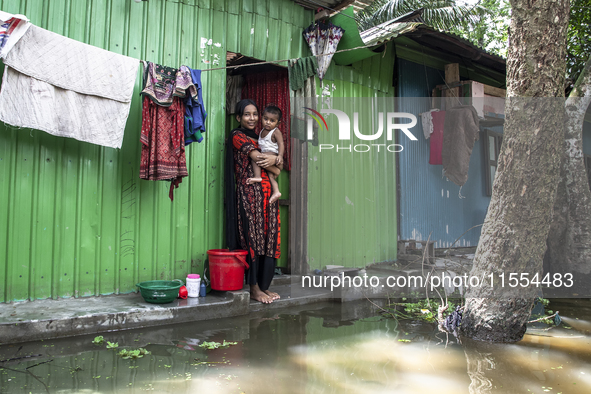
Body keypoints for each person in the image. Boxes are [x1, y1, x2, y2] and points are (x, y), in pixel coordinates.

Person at [225, 99, 281, 304]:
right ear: (239, 117)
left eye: (255, 114)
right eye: (247, 114)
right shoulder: (237, 136)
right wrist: (274, 162)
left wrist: (275, 162)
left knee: (268, 238)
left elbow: (276, 167)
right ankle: (254, 288)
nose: (252, 118)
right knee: (252, 239)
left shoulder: (262, 137)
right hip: (250, 196)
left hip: (268, 197)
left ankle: (264, 286)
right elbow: (260, 158)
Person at [247, 105, 285, 204]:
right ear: (262, 118)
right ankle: (276, 191)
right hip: (266, 155)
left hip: (272, 155)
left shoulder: (275, 132)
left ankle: (257, 176)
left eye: (272, 121)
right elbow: (260, 142)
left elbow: (281, 144)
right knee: (270, 176)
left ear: (278, 123)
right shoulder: (262, 131)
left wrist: (280, 156)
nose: (268, 122)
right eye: (266, 119)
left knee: (255, 158)